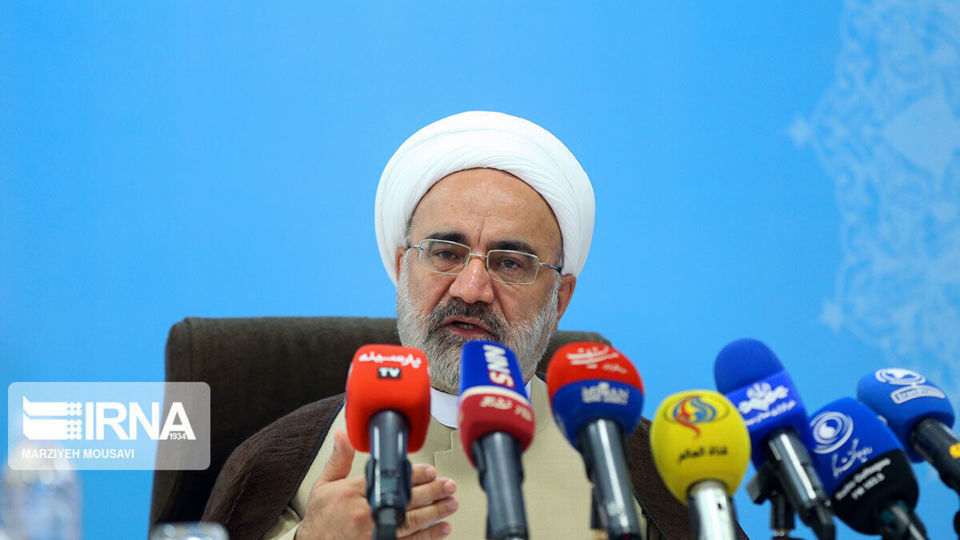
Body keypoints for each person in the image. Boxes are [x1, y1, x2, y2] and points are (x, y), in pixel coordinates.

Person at [201, 111, 698, 539]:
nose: (471, 289)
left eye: (510, 263)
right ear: (403, 268)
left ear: (560, 300)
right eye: (445, 253)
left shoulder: (631, 461)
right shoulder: (285, 460)